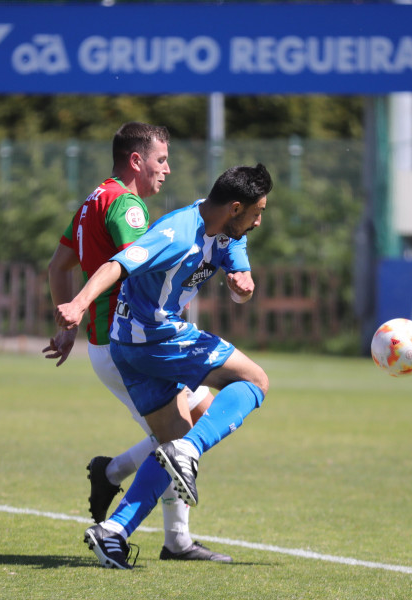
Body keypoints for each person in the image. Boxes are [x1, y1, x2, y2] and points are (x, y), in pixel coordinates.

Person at [54, 163, 272, 570]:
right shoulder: (175, 233)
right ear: (236, 207)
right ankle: (188, 452)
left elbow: (239, 275)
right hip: (154, 337)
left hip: (129, 346)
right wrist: (79, 304)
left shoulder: (228, 229)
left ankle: (114, 532)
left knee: (170, 443)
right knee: (254, 379)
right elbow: (116, 265)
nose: (259, 221)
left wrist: (241, 287)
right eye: (258, 212)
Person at [43, 122, 230, 563]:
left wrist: (69, 323)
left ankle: (116, 475)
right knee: (178, 439)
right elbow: (140, 268)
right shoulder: (127, 207)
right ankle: (169, 534)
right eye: (161, 160)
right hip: (128, 345)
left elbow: (57, 266)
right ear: (136, 160)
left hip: (111, 343)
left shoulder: (94, 199)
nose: (167, 170)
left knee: (199, 417)